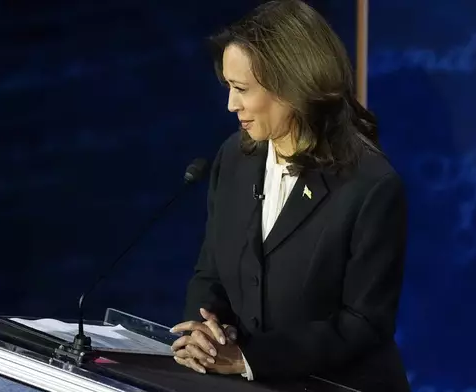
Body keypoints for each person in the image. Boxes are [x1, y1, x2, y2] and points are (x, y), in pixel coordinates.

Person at [170, 1, 410, 390]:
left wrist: (249, 359)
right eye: (229, 87)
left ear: (293, 86)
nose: (231, 105)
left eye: (241, 89)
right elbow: (211, 273)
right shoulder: (235, 156)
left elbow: (363, 323)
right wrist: (204, 332)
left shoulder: (371, 186)